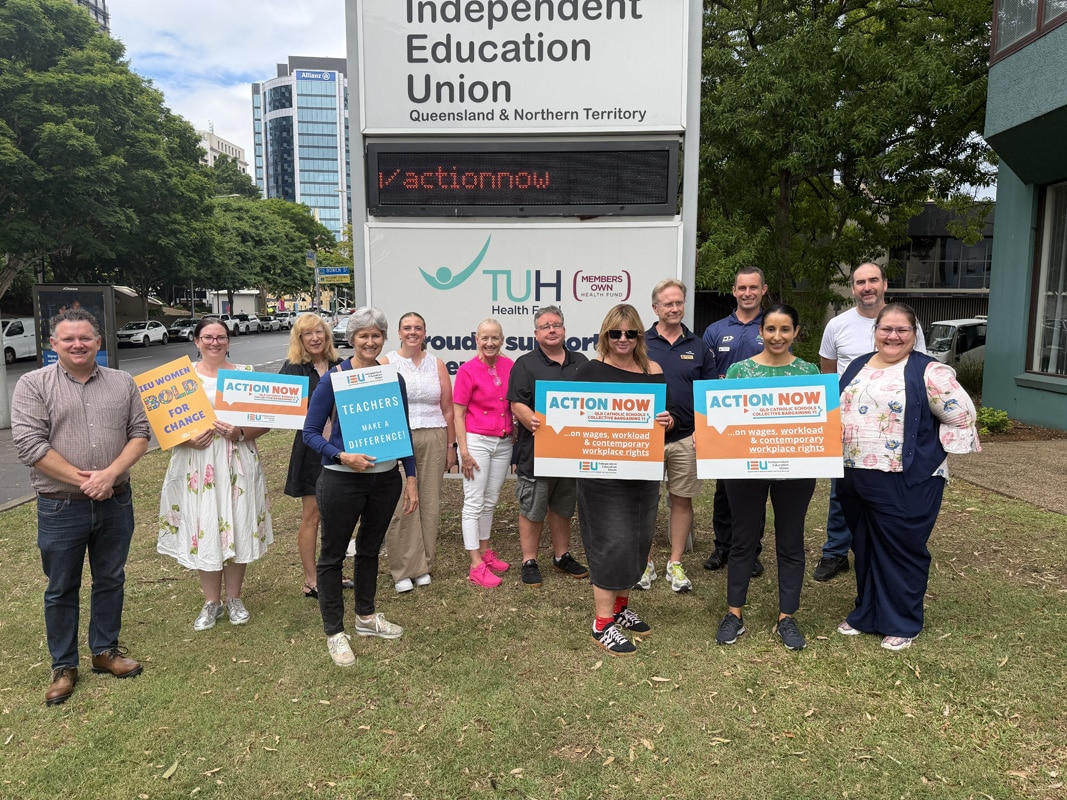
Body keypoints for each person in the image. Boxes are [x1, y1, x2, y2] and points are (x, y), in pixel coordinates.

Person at [12, 309, 150, 706]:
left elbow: (140, 433)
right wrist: (87, 480)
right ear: (53, 344)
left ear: (98, 342)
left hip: (115, 501)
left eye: (85, 338)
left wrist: (111, 475)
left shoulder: (122, 382)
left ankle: (105, 650)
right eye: (69, 339)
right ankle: (64, 665)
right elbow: (31, 445)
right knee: (61, 587)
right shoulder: (33, 385)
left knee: (110, 578)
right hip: (61, 507)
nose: (78, 345)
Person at [836, 303, 978, 650]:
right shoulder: (857, 365)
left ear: (914, 334)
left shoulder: (930, 372)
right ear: (875, 332)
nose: (893, 336)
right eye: (886, 329)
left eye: (902, 330)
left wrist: (927, 456)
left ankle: (902, 622)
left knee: (901, 549)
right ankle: (867, 613)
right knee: (865, 545)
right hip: (854, 475)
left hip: (906, 478)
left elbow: (962, 416)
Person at [303, 307, 419, 667]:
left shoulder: (392, 379)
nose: (370, 341)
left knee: (370, 549)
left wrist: (410, 477)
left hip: (384, 479)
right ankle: (335, 632)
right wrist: (342, 455)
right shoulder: (334, 378)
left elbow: (402, 431)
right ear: (352, 338)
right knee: (333, 555)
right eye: (363, 335)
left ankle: (366, 617)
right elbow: (310, 433)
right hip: (341, 479)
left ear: (384, 338)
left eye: (376, 335)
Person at [813, 263, 928, 582]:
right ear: (852, 288)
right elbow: (828, 375)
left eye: (873, 280)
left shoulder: (906, 324)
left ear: (885, 284)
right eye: (860, 282)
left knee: (888, 490)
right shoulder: (837, 326)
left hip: (893, 426)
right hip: (848, 427)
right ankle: (835, 552)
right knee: (842, 490)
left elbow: (921, 369)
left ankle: (882, 547)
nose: (867, 287)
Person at [713, 304, 819, 651]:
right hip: (746, 469)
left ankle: (787, 617)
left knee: (791, 540)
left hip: (796, 470)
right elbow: (721, 420)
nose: (777, 336)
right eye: (771, 329)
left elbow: (819, 420)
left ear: (796, 332)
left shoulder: (808, 372)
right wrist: (707, 434)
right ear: (761, 331)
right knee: (742, 539)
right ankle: (734, 614)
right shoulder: (739, 372)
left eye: (785, 329)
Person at [157, 319, 273, 630]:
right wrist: (187, 439)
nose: (214, 342)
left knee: (238, 522)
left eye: (220, 337)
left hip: (237, 460)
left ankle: (234, 597)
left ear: (228, 341)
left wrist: (240, 432)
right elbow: (164, 424)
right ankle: (211, 601)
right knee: (205, 524)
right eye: (207, 337)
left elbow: (265, 421)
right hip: (197, 462)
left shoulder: (245, 375)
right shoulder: (180, 379)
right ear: (196, 341)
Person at [575, 304, 674, 655]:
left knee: (637, 540)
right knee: (611, 541)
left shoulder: (652, 370)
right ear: (605, 334)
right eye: (615, 333)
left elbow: (666, 415)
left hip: (643, 471)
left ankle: (619, 608)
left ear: (639, 336)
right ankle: (602, 624)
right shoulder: (589, 371)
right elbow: (569, 416)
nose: (623, 339)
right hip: (602, 475)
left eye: (630, 333)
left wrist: (668, 421)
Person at [643, 279, 718, 592]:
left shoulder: (698, 346)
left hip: (686, 437)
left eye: (679, 303)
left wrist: (703, 429)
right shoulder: (640, 342)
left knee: (681, 500)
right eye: (668, 304)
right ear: (655, 308)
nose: (674, 309)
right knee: (643, 502)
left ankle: (675, 562)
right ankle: (644, 562)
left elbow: (709, 394)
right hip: (645, 438)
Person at [507, 306, 589, 588]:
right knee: (533, 507)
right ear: (536, 333)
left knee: (563, 506)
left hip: (570, 453)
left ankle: (561, 555)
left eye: (556, 325)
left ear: (564, 329)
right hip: (537, 452)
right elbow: (516, 403)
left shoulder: (581, 362)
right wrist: (528, 416)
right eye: (545, 326)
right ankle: (529, 560)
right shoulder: (525, 364)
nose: (552, 330)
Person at [380, 312, 456, 592]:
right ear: (399, 333)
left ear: (425, 332)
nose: (412, 332)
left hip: (434, 435)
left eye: (418, 328)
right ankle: (403, 568)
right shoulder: (386, 363)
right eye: (407, 328)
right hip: (399, 438)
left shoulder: (437, 364)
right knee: (402, 503)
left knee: (429, 502)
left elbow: (448, 409)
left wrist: (450, 446)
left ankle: (424, 565)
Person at [701, 267, 769, 576]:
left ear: (763, 289)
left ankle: (751, 550)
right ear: (733, 291)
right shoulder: (715, 330)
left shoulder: (771, 326)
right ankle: (722, 546)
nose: (747, 293)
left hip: (760, 422)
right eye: (742, 288)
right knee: (724, 489)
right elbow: (706, 375)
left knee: (756, 488)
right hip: (725, 422)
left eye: (753, 287)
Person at [279, 314, 342, 598]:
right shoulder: (293, 370)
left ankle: (332, 573)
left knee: (337, 515)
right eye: (308, 334)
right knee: (312, 515)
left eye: (319, 332)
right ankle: (311, 580)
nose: (315, 338)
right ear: (300, 339)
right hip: (311, 450)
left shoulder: (341, 366)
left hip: (341, 449)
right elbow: (277, 408)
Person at [454, 318, 514, 588]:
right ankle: (475, 563)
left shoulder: (509, 365)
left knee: (490, 500)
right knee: (474, 502)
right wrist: (463, 451)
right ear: (476, 340)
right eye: (485, 338)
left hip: (503, 442)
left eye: (495, 338)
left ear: (502, 340)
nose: (490, 343)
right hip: (477, 441)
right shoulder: (467, 370)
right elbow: (458, 414)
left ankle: (485, 550)